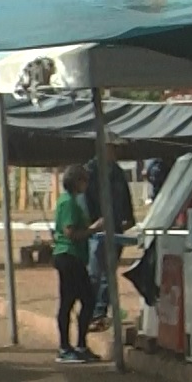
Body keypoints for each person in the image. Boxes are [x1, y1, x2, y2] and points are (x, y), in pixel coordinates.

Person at [81, 143, 136, 331]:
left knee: (108, 274)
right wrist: (92, 224)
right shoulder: (90, 171)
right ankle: (89, 312)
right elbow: (84, 199)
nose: (115, 152)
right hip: (96, 231)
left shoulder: (118, 172)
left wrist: (129, 218)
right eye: (112, 148)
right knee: (95, 274)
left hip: (116, 228)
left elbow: (125, 197)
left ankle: (99, 313)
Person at [52, 164, 102, 363]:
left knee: (85, 300)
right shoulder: (68, 203)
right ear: (77, 181)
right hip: (68, 255)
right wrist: (93, 229)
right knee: (72, 301)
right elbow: (70, 232)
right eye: (84, 180)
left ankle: (80, 344)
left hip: (74, 257)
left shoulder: (72, 201)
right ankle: (65, 346)